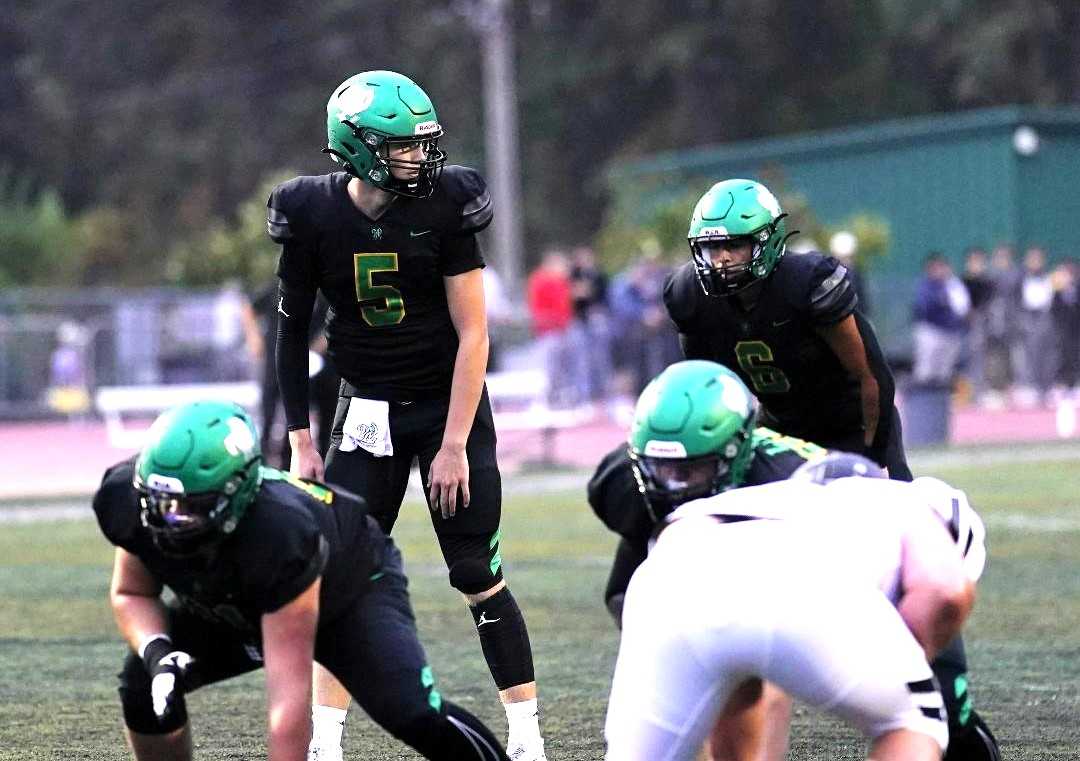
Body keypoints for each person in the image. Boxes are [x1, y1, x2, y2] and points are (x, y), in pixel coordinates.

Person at [267, 70, 546, 761]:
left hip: (445, 404)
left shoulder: (448, 202)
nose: (421, 159)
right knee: (341, 577)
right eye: (403, 147)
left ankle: (527, 736)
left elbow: (474, 334)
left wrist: (453, 441)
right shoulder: (310, 211)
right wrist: (301, 439)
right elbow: (291, 330)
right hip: (363, 408)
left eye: (423, 145)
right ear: (357, 148)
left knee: (476, 570)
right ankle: (325, 744)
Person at [590, 360, 999, 761]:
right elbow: (946, 592)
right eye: (662, 469)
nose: (675, 482)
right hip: (786, 591)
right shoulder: (912, 509)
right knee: (914, 724)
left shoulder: (781, 484)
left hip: (667, 585)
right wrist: (900, 660)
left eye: (691, 470)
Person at [91, 400, 510, 761]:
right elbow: (132, 592)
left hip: (346, 592)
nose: (167, 521)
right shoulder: (127, 499)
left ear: (235, 495)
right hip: (240, 595)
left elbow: (287, 713)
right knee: (143, 684)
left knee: (412, 712)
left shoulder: (279, 535)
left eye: (186, 508)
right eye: (158, 504)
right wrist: (157, 651)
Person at [663, 178, 912, 480]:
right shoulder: (689, 294)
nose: (722, 258)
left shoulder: (806, 284)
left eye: (735, 245)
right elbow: (706, 386)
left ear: (767, 240)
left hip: (850, 426)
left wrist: (875, 451)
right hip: (779, 430)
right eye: (712, 247)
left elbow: (871, 376)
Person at [912, 252, 970, 386]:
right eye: (935, 268)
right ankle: (922, 401)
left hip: (951, 332)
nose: (939, 271)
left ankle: (939, 401)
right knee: (925, 371)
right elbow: (925, 307)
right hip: (931, 331)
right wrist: (942, 303)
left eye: (941, 267)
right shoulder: (926, 286)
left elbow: (963, 307)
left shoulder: (954, 285)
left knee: (944, 372)